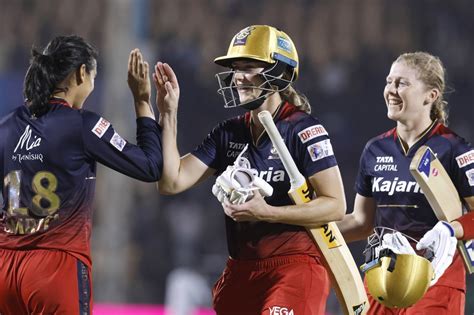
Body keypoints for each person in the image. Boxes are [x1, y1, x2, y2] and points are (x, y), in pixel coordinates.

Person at [154, 25, 346, 314]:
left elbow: (335, 206)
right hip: (240, 272)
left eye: (249, 67)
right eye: (235, 68)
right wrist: (168, 114)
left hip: (294, 269)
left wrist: (268, 212)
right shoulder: (228, 133)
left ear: (279, 73)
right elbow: (172, 182)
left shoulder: (304, 130)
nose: (238, 76)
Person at [0, 35, 163, 314]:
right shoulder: (83, 125)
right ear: (81, 73)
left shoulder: (5, 125)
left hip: (4, 266)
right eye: (94, 76)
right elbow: (150, 166)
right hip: (55, 267)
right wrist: (142, 102)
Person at [337, 51, 474, 314]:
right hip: (382, 279)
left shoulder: (454, 149)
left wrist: (450, 229)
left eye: (402, 83)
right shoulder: (375, 149)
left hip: (436, 280)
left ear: (430, 95)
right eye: (389, 82)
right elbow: (361, 222)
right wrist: (305, 232)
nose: (391, 90)